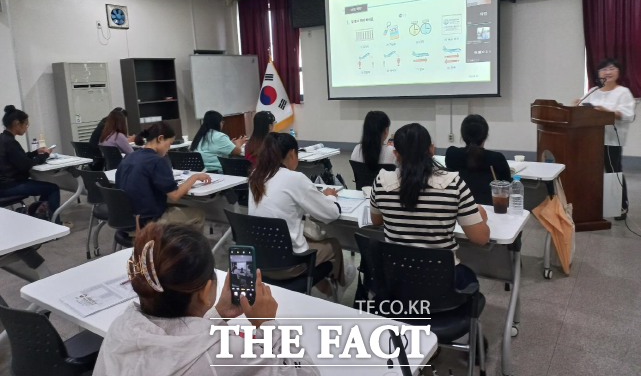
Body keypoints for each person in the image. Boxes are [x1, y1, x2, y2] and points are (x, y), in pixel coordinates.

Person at [93, 222, 319, 376]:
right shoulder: (226, 354)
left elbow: (179, 337)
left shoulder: (121, 326)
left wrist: (217, 315)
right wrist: (267, 324)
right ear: (204, 292)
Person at [370, 123, 490, 289]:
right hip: (441, 280)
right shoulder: (453, 182)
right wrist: (480, 216)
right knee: (468, 279)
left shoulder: (381, 182)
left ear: (396, 153)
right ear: (431, 149)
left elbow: (375, 221)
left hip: (396, 279)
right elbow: (481, 238)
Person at [248, 132, 356, 299]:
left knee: (310, 241)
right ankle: (338, 289)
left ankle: (325, 287)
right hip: (289, 265)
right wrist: (330, 196)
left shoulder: (255, 177)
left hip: (260, 261)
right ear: (292, 153)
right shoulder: (295, 178)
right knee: (332, 245)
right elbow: (331, 213)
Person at [116, 122, 209, 230]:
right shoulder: (157, 161)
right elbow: (175, 196)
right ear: (160, 139)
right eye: (169, 143)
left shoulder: (129, 156)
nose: (169, 148)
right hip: (148, 222)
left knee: (181, 208)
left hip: (126, 219)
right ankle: (174, 245)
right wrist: (195, 177)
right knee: (198, 214)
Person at [574, 58, 635, 220]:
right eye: (603, 69)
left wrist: (606, 111)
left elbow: (628, 115)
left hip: (612, 140)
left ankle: (620, 207)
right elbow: (581, 108)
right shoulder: (594, 90)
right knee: (591, 172)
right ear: (598, 73)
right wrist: (577, 106)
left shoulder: (623, 92)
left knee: (613, 172)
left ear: (618, 72)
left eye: (612, 68)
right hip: (590, 139)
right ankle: (593, 203)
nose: (607, 72)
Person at [0, 106, 60, 216]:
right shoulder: (10, 142)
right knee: (53, 189)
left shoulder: (3, 138)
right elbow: (25, 165)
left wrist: (35, 153)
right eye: (26, 124)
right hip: (10, 185)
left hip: (4, 184)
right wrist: (45, 155)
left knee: (46, 188)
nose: (26, 128)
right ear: (17, 123)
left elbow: (17, 158)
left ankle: (40, 216)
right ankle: (55, 223)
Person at [445, 114, 511, 205]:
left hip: (459, 208)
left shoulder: (451, 154)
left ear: (463, 135)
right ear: (485, 135)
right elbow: (507, 186)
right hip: (492, 210)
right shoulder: (497, 158)